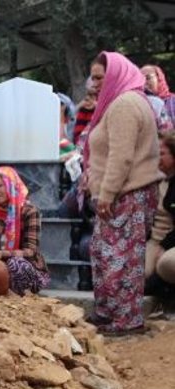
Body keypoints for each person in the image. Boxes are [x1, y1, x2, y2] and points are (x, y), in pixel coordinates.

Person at [86, 51, 161, 336]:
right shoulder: (124, 101)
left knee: (121, 259)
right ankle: (108, 314)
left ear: (115, 76)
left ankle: (126, 321)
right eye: (92, 78)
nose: (93, 84)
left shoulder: (124, 104)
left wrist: (106, 194)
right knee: (105, 254)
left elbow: (121, 157)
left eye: (99, 78)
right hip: (121, 194)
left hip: (125, 195)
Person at [0, 167, 49, 295]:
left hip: (28, 268)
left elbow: (30, 251)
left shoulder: (29, 211)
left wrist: (3, 254)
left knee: (15, 264)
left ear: (11, 185)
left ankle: (23, 299)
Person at [145, 134, 175, 300]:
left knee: (166, 264)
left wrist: (164, 246)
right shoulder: (156, 181)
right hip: (154, 241)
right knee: (136, 275)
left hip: (169, 242)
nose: (158, 158)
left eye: (162, 153)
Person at [141, 64, 174, 132]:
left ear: (159, 78)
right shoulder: (140, 103)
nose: (144, 82)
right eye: (141, 79)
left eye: (148, 78)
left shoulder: (173, 101)